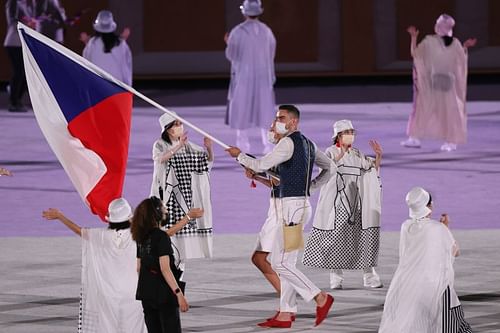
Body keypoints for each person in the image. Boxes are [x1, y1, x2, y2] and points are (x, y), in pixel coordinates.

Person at [226, 104, 335, 328]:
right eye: (277, 117)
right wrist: (311, 187)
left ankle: (320, 297)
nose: (277, 121)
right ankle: (286, 313)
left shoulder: (287, 142)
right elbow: (330, 168)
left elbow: (261, 163)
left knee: (280, 262)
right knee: (287, 261)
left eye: (281, 117)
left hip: (292, 209)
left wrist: (240, 156)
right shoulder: (308, 143)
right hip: (296, 206)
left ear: (293, 122)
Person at [42, 198, 147, 333]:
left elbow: (80, 231)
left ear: (110, 219)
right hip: (134, 294)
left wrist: (60, 216)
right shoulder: (140, 236)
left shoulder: (100, 236)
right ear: (130, 218)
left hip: (107, 295)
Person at [302, 120, 384, 289]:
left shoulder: (357, 154)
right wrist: (340, 155)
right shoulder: (330, 152)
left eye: (352, 131)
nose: (351, 135)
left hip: (357, 201)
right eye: (347, 131)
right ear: (338, 135)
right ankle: (336, 276)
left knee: (362, 235)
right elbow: (327, 171)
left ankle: (369, 275)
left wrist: (378, 157)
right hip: (338, 201)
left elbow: (371, 173)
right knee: (336, 237)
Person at [379, 187, 472, 333]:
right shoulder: (437, 228)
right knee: (454, 324)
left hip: (408, 284)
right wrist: (446, 228)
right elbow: (455, 251)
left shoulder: (405, 226)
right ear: (429, 206)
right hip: (435, 286)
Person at [401, 14, 477, 152]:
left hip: (441, 82)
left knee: (434, 110)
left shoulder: (444, 43)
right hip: (438, 82)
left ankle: (446, 140)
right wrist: (413, 38)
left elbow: (415, 54)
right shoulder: (439, 42)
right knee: (431, 110)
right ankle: (417, 138)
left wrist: (413, 38)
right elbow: (417, 54)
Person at [151, 112, 214, 270]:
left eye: (180, 123)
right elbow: (160, 159)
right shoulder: (159, 144)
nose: (180, 127)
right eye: (176, 124)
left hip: (183, 194)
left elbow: (205, 162)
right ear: (169, 129)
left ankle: (178, 271)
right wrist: (178, 146)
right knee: (165, 232)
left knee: (181, 237)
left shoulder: (188, 145)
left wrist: (209, 148)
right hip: (164, 195)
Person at [131, 196, 193, 333]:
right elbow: (165, 269)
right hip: (164, 294)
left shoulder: (141, 237)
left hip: (146, 293)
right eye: (164, 208)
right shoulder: (161, 237)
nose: (167, 211)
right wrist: (179, 295)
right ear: (157, 213)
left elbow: (139, 267)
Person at [225, 0, 276, 154]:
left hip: (244, 77)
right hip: (262, 77)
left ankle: (242, 147)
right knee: (264, 110)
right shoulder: (266, 31)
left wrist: (229, 44)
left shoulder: (238, 32)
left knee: (242, 108)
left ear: (244, 12)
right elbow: (271, 54)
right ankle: (269, 146)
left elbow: (232, 55)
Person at [82, 10, 132, 85]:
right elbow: (126, 66)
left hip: (98, 85)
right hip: (117, 86)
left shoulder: (92, 43)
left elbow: (86, 64)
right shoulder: (120, 43)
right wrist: (128, 86)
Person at [4, 0, 36, 112]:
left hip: (23, 42)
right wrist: (28, 22)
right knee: (19, 72)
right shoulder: (13, 2)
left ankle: (17, 99)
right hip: (13, 42)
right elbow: (13, 18)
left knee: (24, 73)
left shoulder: (28, 4)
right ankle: (13, 102)